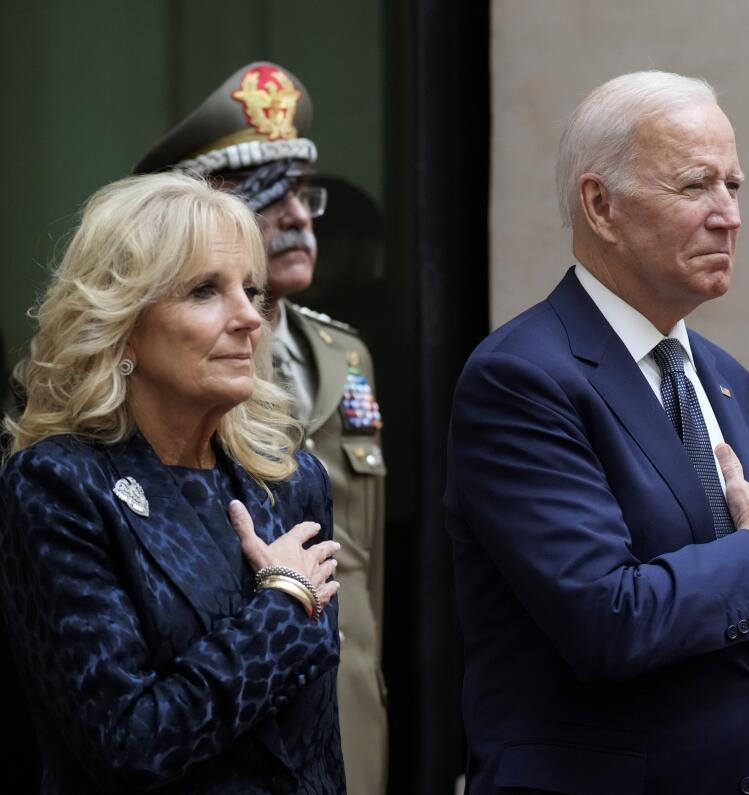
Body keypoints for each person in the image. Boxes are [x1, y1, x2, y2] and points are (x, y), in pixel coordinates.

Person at [445, 71, 749, 795]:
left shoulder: (728, 378)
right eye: (695, 186)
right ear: (600, 204)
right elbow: (607, 618)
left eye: (734, 187)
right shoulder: (522, 377)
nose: (727, 215)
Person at [0, 173, 345, 793]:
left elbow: (315, 746)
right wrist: (280, 607)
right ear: (123, 324)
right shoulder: (58, 487)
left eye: (251, 289)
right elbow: (129, 744)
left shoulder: (289, 482)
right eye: (205, 291)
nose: (249, 317)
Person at [134, 62, 388, 795]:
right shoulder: (173, 369)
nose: (301, 218)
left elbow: (365, 571)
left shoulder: (347, 355)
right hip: (228, 716)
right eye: (268, 200)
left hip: (347, 709)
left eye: (304, 196)